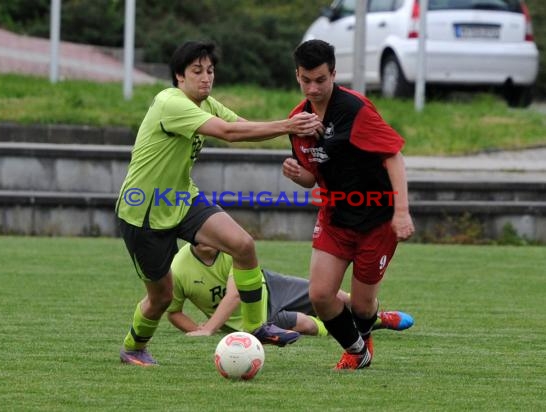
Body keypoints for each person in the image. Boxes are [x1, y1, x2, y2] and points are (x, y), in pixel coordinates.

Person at [116, 41, 322, 366]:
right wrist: (288, 125)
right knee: (162, 297)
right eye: (197, 71)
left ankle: (256, 327)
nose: (205, 78)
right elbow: (228, 133)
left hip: (181, 198)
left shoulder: (207, 104)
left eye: (210, 71)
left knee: (243, 245)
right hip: (143, 212)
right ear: (178, 76)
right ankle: (133, 348)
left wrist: (295, 134)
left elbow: (241, 126)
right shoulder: (170, 102)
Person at [282, 39, 415, 370]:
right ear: (297, 75)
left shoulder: (356, 110)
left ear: (334, 74)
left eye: (320, 80)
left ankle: (365, 331)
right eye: (305, 80)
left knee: (362, 306)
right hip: (335, 215)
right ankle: (358, 351)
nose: (312, 88)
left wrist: (401, 212)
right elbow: (312, 177)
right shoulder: (298, 120)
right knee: (321, 295)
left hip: (377, 219)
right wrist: (297, 174)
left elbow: (394, 157)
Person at [166, 243, 414, 336]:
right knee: (305, 324)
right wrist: (198, 330)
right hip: (256, 316)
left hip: (270, 284)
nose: (213, 235)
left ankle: (378, 319)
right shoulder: (179, 267)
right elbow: (173, 311)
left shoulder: (232, 248)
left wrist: (209, 328)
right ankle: (349, 331)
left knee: (329, 295)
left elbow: (237, 291)